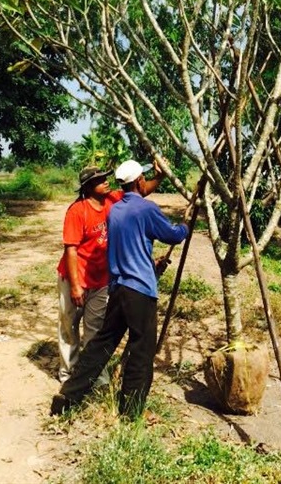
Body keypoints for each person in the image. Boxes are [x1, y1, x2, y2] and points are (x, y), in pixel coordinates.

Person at [51, 159, 188, 418]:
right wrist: (186, 225)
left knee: (101, 342)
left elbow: (133, 243)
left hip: (115, 287)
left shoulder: (115, 209)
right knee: (142, 348)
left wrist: (150, 261)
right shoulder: (143, 210)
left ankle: (68, 396)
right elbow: (174, 235)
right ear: (138, 180)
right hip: (137, 290)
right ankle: (131, 410)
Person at [56, 162, 165, 386]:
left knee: (96, 329)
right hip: (75, 277)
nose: (105, 181)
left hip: (101, 278)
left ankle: (95, 377)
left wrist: (159, 177)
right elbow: (71, 250)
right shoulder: (78, 211)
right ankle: (68, 373)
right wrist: (76, 286)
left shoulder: (113, 201)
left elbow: (141, 190)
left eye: (106, 177)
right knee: (70, 326)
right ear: (87, 187)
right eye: (98, 180)